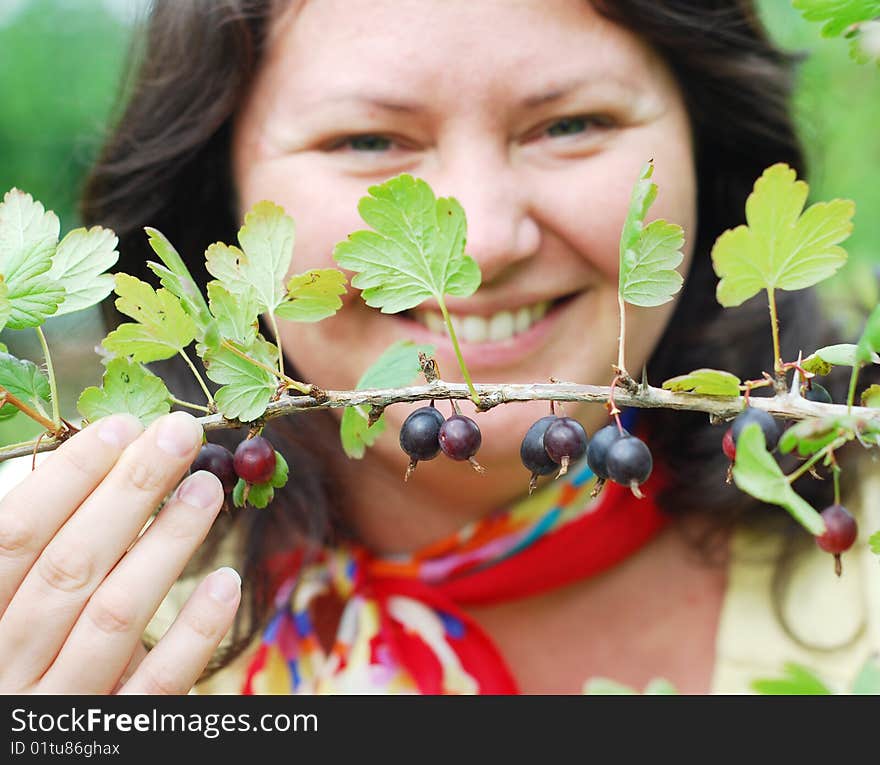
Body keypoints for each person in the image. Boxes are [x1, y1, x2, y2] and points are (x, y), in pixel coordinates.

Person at [1, 0, 878, 695]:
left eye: (570, 123)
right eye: (370, 141)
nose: (488, 238)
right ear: (213, 192)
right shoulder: (72, 620)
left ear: (707, 145)